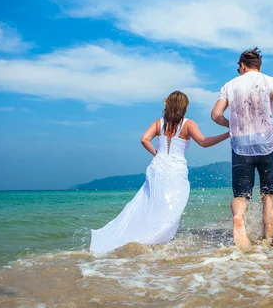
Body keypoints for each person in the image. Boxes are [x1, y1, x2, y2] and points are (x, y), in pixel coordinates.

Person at [90, 91, 230, 254]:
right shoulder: (188, 124)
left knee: (151, 203)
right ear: (184, 107)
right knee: (173, 205)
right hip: (176, 169)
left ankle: (146, 237)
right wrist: (228, 134)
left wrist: (157, 154)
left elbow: (144, 139)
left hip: (158, 166)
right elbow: (204, 142)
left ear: (168, 105)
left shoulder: (159, 123)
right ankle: (157, 239)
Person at [211, 47, 273, 249]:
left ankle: (239, 217)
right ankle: (267, 242)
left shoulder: (230, 86)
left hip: (240, 146)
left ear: (242, 65)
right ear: (258, 65)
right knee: (268, 195)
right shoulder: (271, 81)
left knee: (241, 195)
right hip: (267, 145)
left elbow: (215, 115)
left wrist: (232, 125)